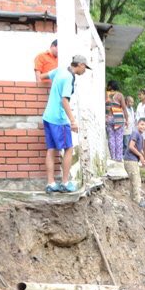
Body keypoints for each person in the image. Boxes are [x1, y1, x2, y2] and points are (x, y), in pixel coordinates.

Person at [42, 54, 90, 193]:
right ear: (80, 65)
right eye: (84, 68)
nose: (84, 70)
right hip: (59, 119)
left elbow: (43, 76)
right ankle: (65, 182)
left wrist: (38, 73)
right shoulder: (69, 77)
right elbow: (64, 100)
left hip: (47, 116)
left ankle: (50, 183)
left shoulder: (60, 70)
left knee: (51, 149)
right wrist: (73, 121)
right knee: (68, 148)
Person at [124, 117, 145, 207]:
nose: (143, 127)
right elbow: (131, 146)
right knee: (136, 180)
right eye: (142, 124)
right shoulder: (135, 133)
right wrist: (140, 155)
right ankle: (137, 200)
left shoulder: (140, 135)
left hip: (133, 160)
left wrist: (142, 158)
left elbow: (138, 148)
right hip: (130, 160)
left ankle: (133, 198)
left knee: (135, 179)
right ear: (137, 124)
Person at [105, 80, 126, 162]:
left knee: (111, 138)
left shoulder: (106, 95)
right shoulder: (119, 95)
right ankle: (119, 158)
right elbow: (124, 108)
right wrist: (127, 119)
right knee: (119, 138)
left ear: (110, 86)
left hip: (109, 118)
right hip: (119, 118)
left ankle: (113, 157)